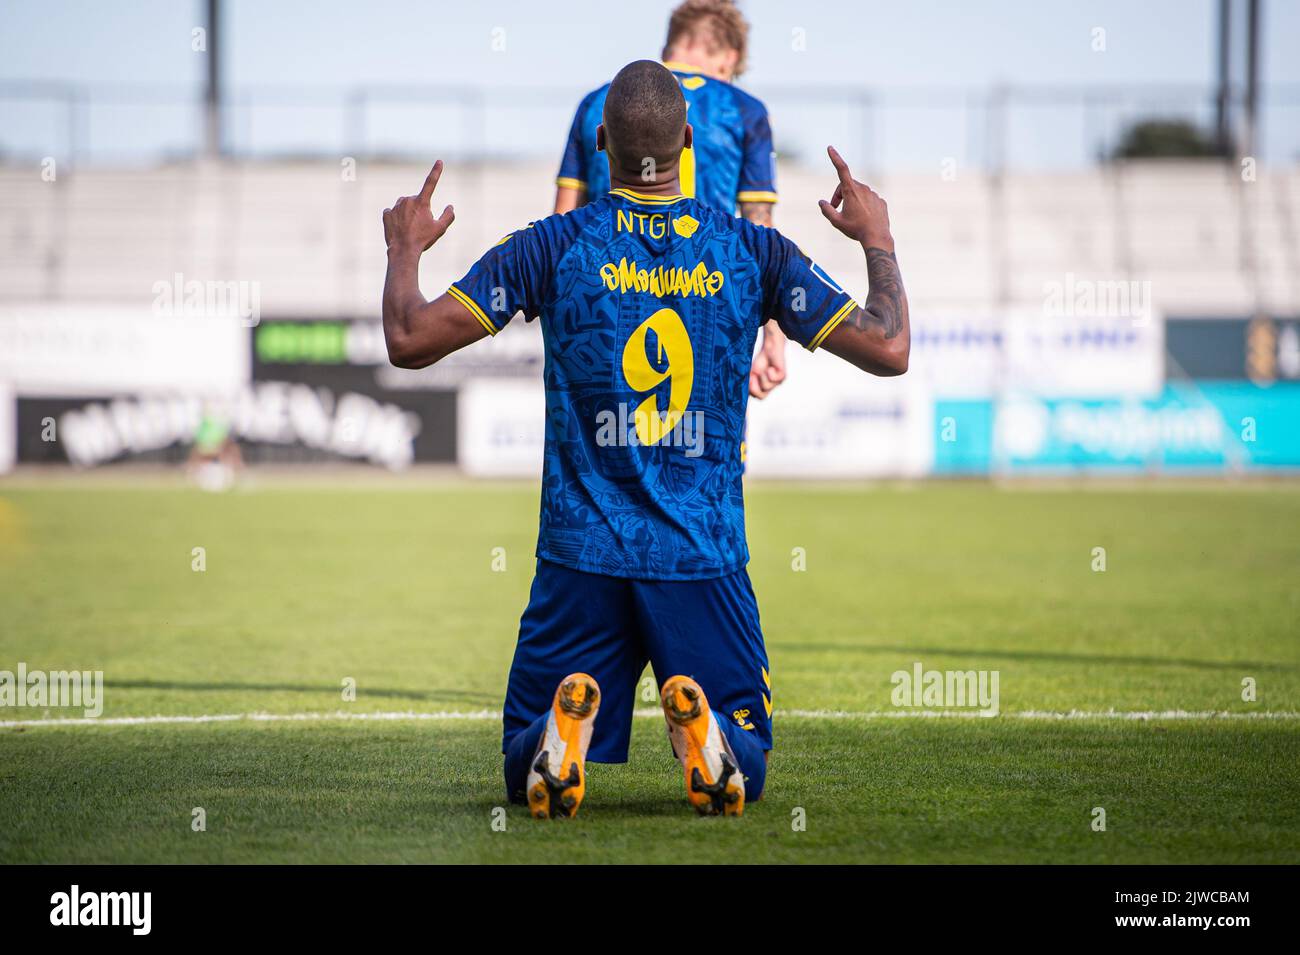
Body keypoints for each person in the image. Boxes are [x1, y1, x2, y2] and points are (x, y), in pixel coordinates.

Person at [381, 61, 909, 818]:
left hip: (579, 560)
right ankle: (715, 738)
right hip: (702, 556)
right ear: (689, 143)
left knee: (517, 758)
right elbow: (889, 347)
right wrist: (879, 239)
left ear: (602, 143)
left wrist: (405, 247)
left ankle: (559, 739)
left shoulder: (551, 246)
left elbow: (408, 337)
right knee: (749, 758)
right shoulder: (755, 254)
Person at [555, 0, 789, 401]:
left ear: (669, 49)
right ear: (729, 59)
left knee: (608, 450)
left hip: (608, 308)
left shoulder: (601, 103)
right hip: (706, 308)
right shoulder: (744, 110)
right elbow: (759, 232)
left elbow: (562, 224)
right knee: (704, 448)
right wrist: (775, 336)